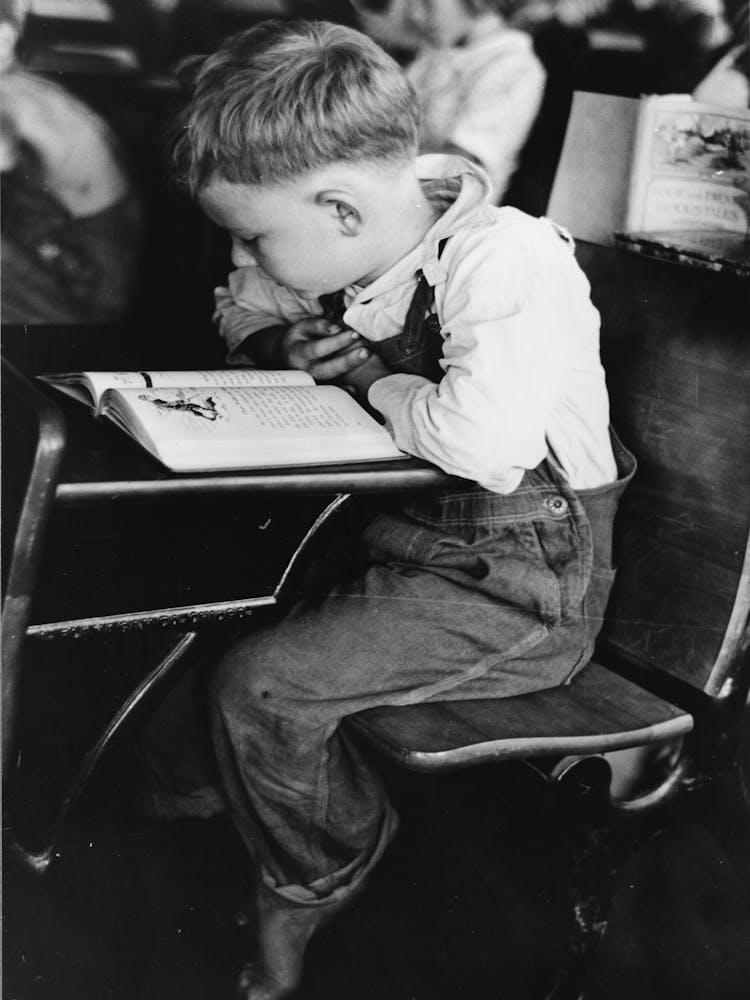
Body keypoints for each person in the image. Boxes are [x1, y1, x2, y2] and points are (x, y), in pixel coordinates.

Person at [169, 19, 634, 999]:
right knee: (208, 604)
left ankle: (318, 868)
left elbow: (484, 446)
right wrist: (276, 345)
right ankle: (251, 805)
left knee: (262, 683)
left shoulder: (502, 260)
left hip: (526, 588)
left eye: (255, 233)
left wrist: (372, 383)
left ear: (340, 209)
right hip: (403, 541)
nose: (244, 253)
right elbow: (239, 300)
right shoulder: (351, 239)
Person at [0, 0, 141, 324]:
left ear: (4, 40)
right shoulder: (22, 86)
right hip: (77, 252)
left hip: (91, 284)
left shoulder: (11, 99)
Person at [349, 0, 546, 202]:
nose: (416, 15)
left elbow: (457, 169)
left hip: (444, 208)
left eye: (426, 3)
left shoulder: (512, 65)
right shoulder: (438, 52)